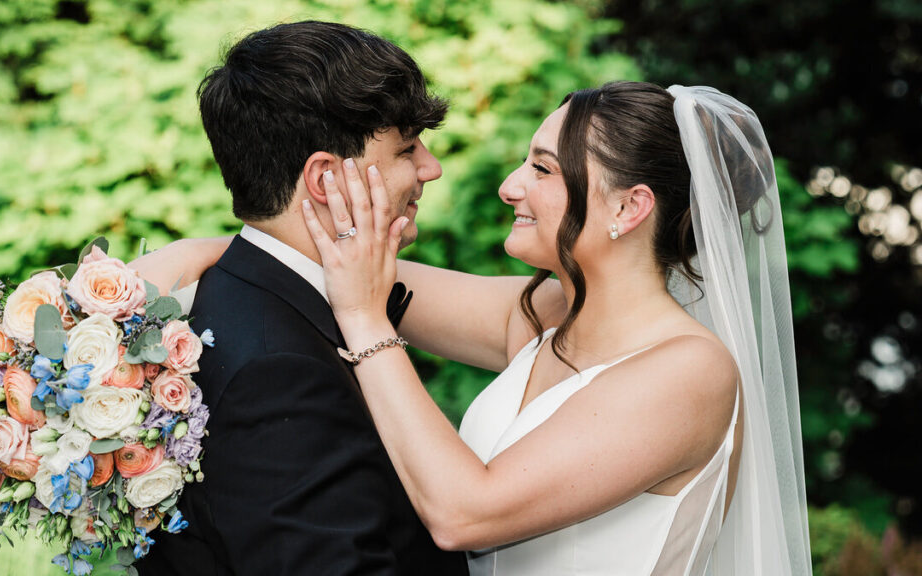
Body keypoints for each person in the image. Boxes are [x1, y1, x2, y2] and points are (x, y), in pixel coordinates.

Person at [292, 81, 813, 574]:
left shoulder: (691, 373)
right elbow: (356, 270)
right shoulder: (552, 313)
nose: (509, 186)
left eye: (542, 169)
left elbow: (464, 513)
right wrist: (217, 255)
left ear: (629, 206)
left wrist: (365, 321)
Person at [130, 21, 467, 575]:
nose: (429, 168)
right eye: (407, 148)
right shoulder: (278, 373)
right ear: (324, 179)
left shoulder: (238, 300)